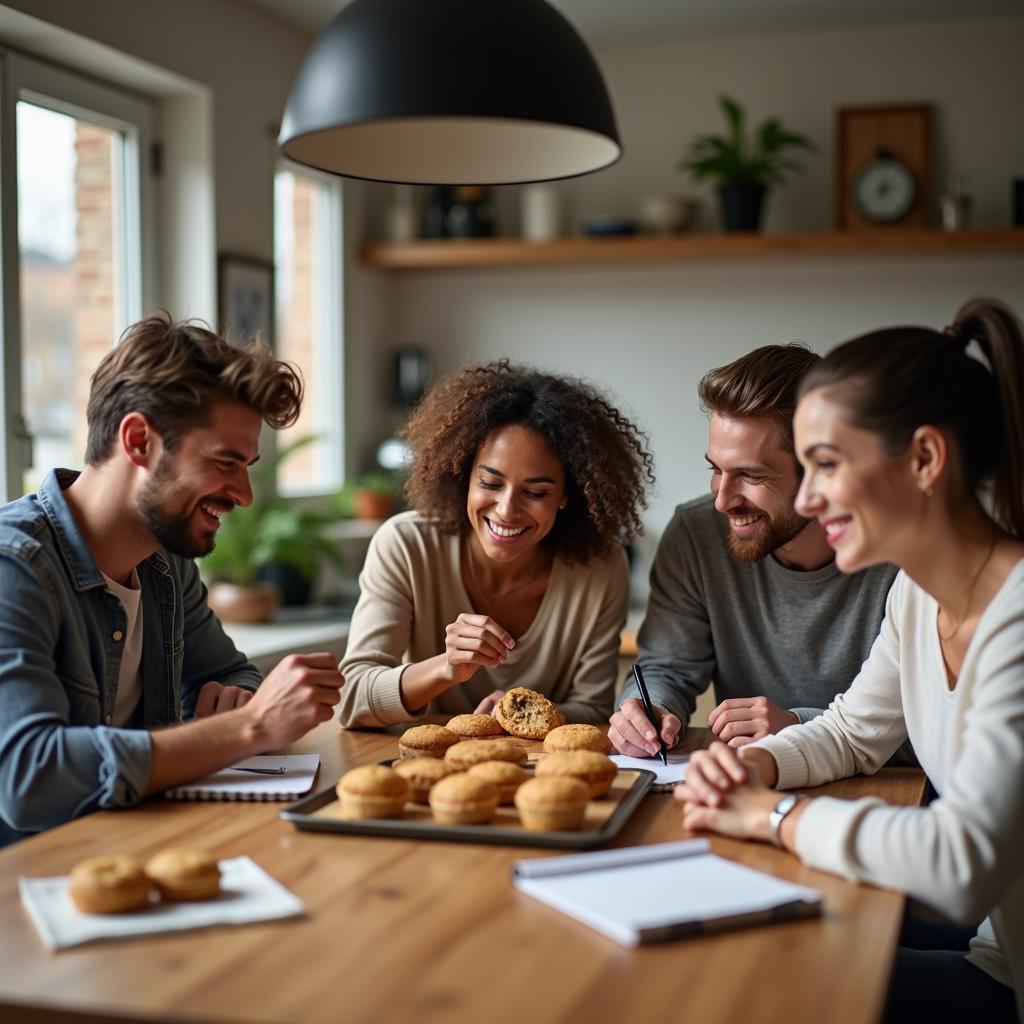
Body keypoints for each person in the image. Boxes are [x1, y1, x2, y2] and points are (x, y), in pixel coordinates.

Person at [675, 299, 1024, 1022]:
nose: (806, 497)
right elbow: (849, 732)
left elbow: (958, 870)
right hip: (1002, 957)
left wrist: (771, 816)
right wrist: (758, 765)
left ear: (925, 459)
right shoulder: (916, 597)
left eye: (825, 465)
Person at [0, 313, 345, 844]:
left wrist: (238, 699)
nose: (244, 494)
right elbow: (28, 777)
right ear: (139, 441)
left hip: (137, 852)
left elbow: (232, 673)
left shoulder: (167, 560)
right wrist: (248, 727)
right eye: (226, 461)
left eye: (247, 465)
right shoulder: (13, 566)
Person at [610, 344, 898, 758]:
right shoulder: (696, 534)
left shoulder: (899, 549)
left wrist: (800, 726)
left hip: (889, 796)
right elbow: (667, 668)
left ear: (819, 469)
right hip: (754, 788)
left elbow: (933, 728)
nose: (723, 500)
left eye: (750, 475)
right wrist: (649, 708)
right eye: (716, 469)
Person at [338, 360, 654, 727]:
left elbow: (594, 708)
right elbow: (352, 698)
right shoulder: (407, 546)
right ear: (464, 475)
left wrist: (532, 711)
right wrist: (445, 667)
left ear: (567, 495)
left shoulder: (599, 566)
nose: (506, 510)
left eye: (536, 492)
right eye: (490, 483)